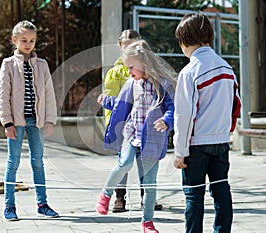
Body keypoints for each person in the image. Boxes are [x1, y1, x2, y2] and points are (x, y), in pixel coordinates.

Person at [96, 39, 177, 233]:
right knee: (124, 163)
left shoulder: (163, 84)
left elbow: (172, 107)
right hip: (131, 133)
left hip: (152, 139)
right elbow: (121, 104)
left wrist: (167, 121)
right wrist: (106, 100)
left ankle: (147, 222)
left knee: (149, 183)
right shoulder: (132, 83)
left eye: (131, 66)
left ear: (145, 63)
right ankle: (106, 194)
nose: (129, 71)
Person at [173, 12, 241, 233]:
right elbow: (235, 105)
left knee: (194, 194)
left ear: (185, 41)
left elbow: (184, 116)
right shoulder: (227, 68)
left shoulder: (189, 72)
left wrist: (179, 151)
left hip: (196, 145)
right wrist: (226, 132)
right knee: (221, 190)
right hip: (221, 141)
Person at [0, 20, 59, 221]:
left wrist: (49, 120)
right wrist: (7, 122)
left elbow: (49, 94)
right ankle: (9, 206)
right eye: (23, 40)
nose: (28, 44)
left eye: (32, 40)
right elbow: (3, 95)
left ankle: (42, 204)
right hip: (16, 122)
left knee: (38, 162)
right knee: (12, 162)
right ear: (14, 40)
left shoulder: (42, 65)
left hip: (37, 122)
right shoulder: (8, 64)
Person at [101, 29, 162, 213]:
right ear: (120, 47)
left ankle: (147, 197)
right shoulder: (116, 73)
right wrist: (113, 126)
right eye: (126, 45)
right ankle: (120, 198)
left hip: (146, 127)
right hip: (125, 127)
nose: (129, 48)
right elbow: (114, 101)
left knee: (146, 163)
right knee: (124, 163)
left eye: (133, 45)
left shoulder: (150, 73)